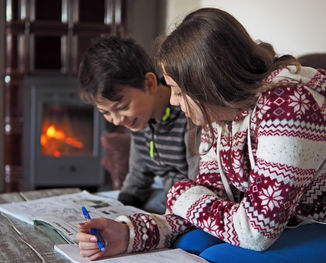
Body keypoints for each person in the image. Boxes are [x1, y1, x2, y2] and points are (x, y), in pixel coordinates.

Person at [76, 8, 326, 262]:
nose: (173, 100)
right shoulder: (219, 115)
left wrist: (179, 194)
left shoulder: (289, 106)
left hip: (315, 223)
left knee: (217, 257)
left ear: (209, 82)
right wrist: (128, 234)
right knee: (190, 242)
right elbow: (208, 197)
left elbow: (255, 232)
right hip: (282, 224)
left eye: (178, 91)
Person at [78, 36, 199, 214]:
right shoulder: (141, 121)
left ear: (149, 84)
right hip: (167, 195)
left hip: (189, 201)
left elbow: (198, 182)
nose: (117, 120)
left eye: (123, 107)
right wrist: (120, 210)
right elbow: (138, 174)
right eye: (106, 112)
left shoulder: (188, 115)